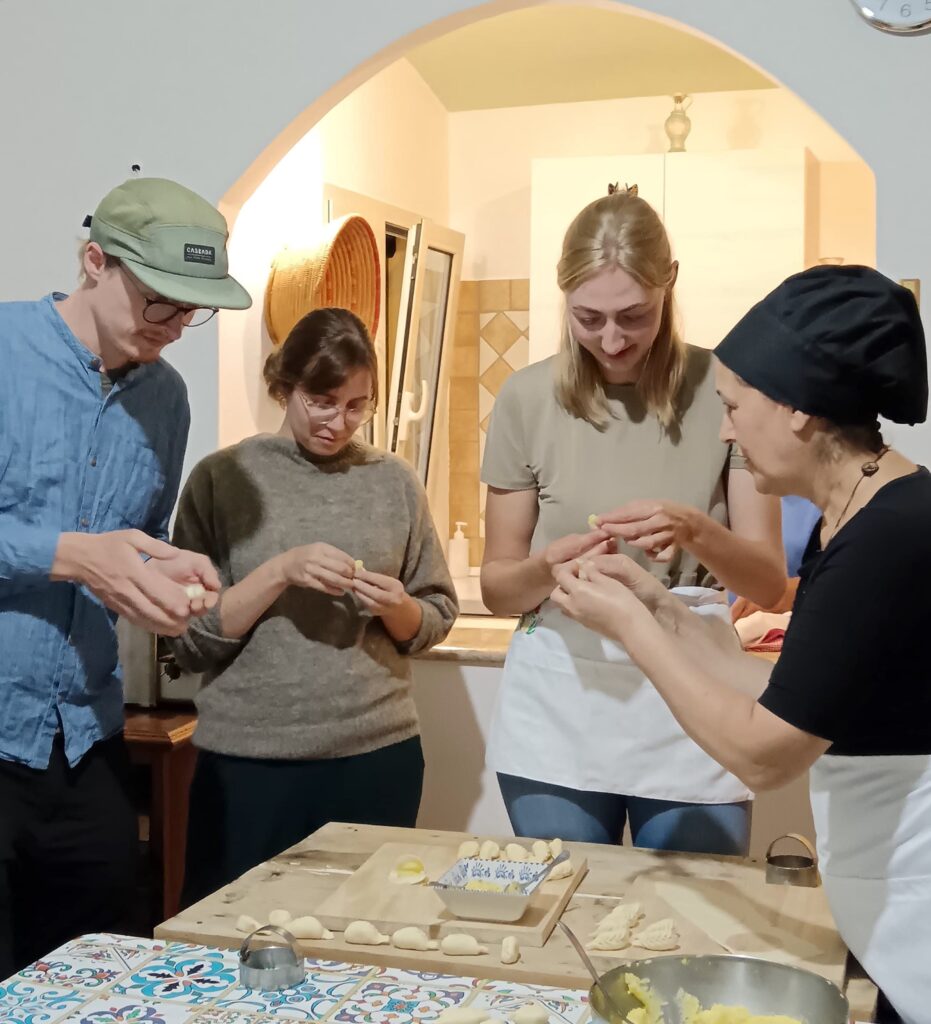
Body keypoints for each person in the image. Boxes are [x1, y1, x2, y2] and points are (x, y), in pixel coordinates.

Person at [551, 265, 930, 1024]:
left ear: (794, 409)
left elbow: (766, 753)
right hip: (889, 903)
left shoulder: (889, 537)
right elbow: (785, 691)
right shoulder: (860, 516)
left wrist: (628, 630)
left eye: (731, 406)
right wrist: (657, 608)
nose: (724, 430)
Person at [479, 187, 785, 855]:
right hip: (560, 696)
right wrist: (543, 566)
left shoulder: (724, 389)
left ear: (668, 283)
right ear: (562, 297)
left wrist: (694, 530)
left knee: (694, 923)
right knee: (563, 910)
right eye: (587, 318)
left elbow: (767, 583)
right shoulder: (524, 398)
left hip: (693, 687)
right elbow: (498, 589)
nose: (612, 341)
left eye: (633, 316)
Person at [0, 177, 251, 975]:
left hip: (87, 744)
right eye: (159, 303)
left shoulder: (166, 399)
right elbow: (87, 554)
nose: (177, 328)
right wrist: (74, 554)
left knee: (103, 976)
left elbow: (139, 542)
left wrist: (168, 578)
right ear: (93, 262)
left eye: (192, 310)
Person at [169, 307, 458, 905]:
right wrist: (279, 571)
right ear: (285, 385)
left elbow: (432, 617)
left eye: (357, 406)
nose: (338, 423)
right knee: (232, 941)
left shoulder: (394, 481)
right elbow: (190, 640)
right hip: (250, 762)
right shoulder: (223, 479)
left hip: (378, 756)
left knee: (369, 940)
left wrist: (398, 606)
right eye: (322, 401)